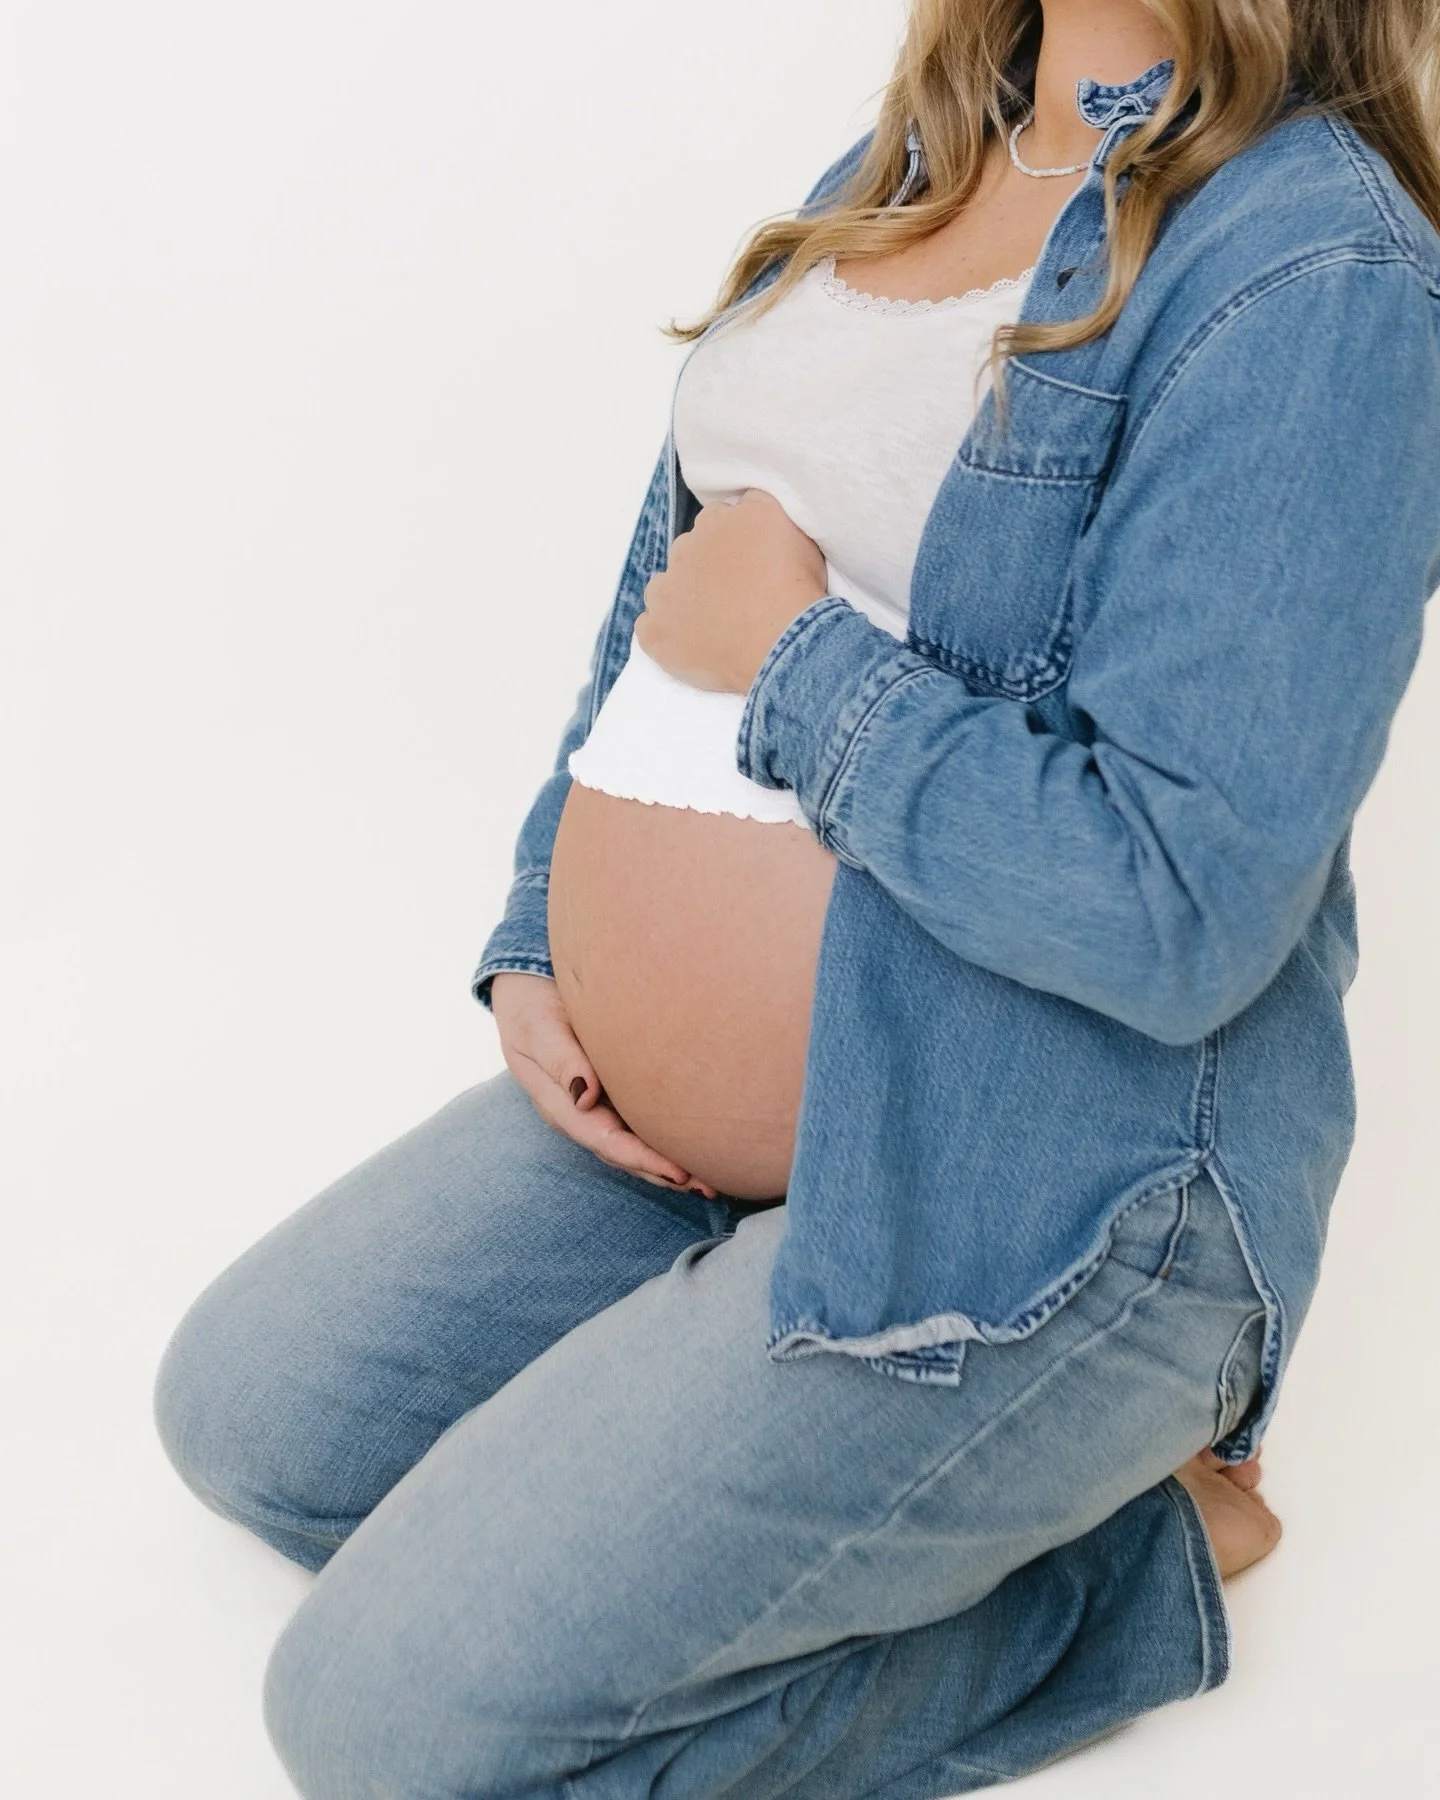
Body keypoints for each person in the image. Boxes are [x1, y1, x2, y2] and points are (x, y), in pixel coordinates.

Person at [153, 3, 1440, 1796]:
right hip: (744, 1136)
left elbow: (1178, 905)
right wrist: (546, 919)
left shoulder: (1322, 273)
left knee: (384, 1725)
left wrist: (802, 667)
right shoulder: (946, 135)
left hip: (1033, 1193)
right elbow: (681, 566)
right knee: (260, 1421)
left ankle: (1119, 1574)